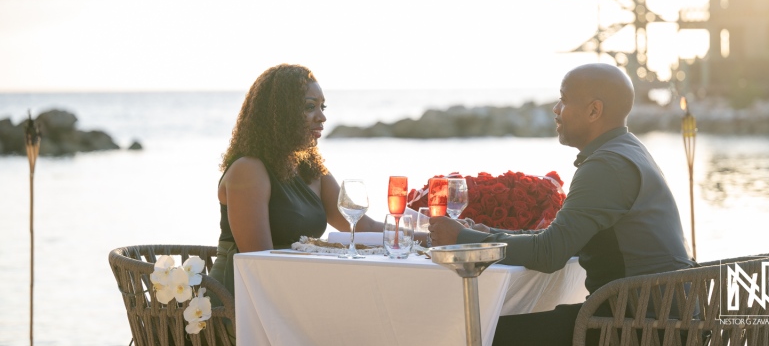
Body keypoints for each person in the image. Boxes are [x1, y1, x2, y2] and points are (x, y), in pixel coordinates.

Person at [428, 63, 695, 345]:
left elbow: (549, 253)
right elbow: (562, 237)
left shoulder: (606, 166)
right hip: (662, 316)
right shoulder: (627, 151)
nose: (556, 109)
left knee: (482, 334)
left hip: (641, 327)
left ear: (594, 110)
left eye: (564, 100)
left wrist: (462, 238)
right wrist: (484, 235)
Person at [208, 64, 383, 320]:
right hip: (237, 308)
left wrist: (427, 235)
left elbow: (360, 224)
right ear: (279, 114)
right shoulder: (249, 170)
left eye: (323, 107)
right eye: (309, 107)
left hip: (290, 293)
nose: (322, 117)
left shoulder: (311, 169)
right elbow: (261, 264)